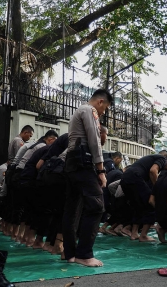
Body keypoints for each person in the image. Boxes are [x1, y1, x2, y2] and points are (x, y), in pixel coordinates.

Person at [62, 88, 113, 267]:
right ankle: (84, 254)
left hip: (72, 163)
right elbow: (94, 140)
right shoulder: (89, 110)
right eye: (105, 108)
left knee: (72, 209)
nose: (103, 112)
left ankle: (69, 253)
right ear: (100, 102)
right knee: (97, 206)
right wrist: (101, 171)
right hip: (82, 162)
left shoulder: (78, 111)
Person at [121, 153, 167, 242]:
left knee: (137, 206)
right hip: (135, 177)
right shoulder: (163, 159)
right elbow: (153, 170)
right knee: (150, 204)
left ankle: (134, 233)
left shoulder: (148, 161)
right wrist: (158, 189)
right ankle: (143, 235)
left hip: (125, 178)